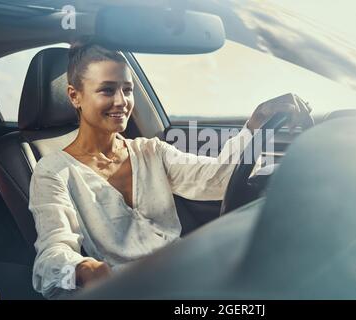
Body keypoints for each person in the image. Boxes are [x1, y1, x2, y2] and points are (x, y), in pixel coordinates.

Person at [28, 41, 313, 299]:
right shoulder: (53, 172)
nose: (121, 102)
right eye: (106, 90)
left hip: (188, 277)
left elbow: (218, 179)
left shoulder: (151, 151)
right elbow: (47, 264)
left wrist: (256, 123)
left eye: (127, 90)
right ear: (74, 96)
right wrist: (83, 269)